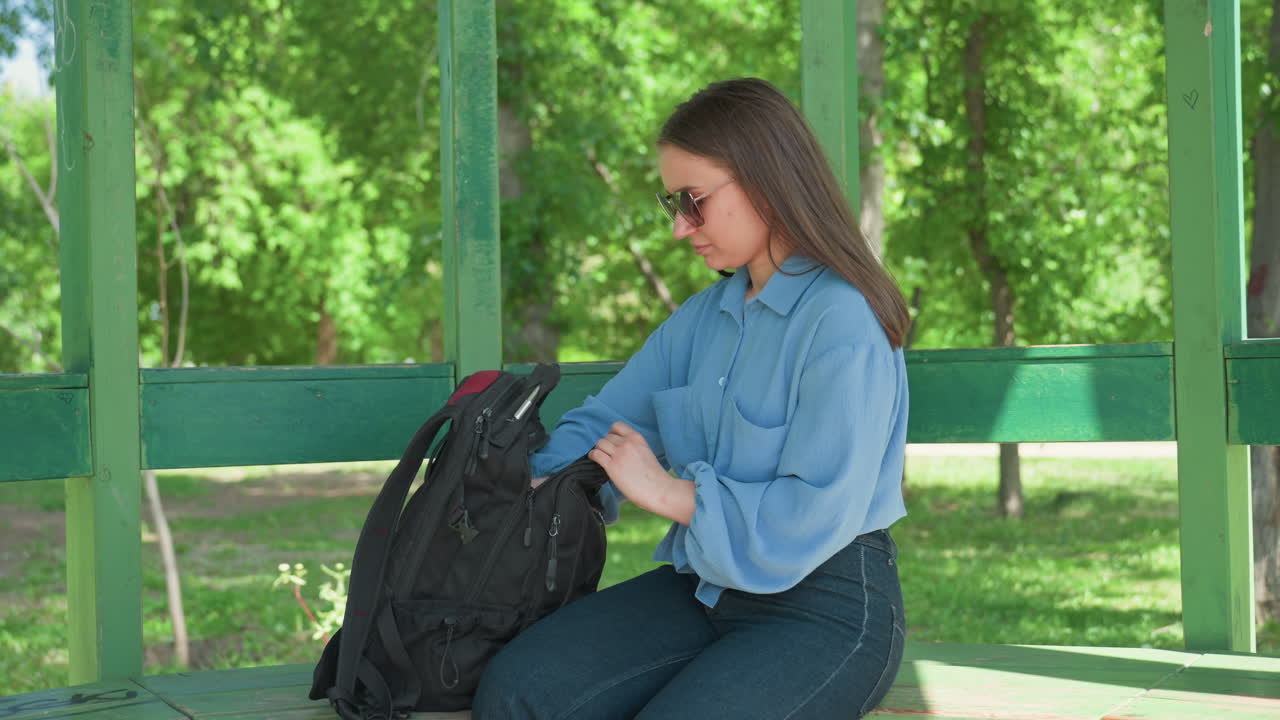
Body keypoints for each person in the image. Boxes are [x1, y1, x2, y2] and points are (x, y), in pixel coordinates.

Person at [472, 77, 912, 720]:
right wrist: (516, 489)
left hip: (827, 609)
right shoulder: (707, 317)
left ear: (766, 180)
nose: (681, 228)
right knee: (518, 692)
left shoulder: (842, 320)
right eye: (672, 202)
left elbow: (814, 511)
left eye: (695, 200)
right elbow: (605, 421)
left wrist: (669, 493)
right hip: (706, 586)